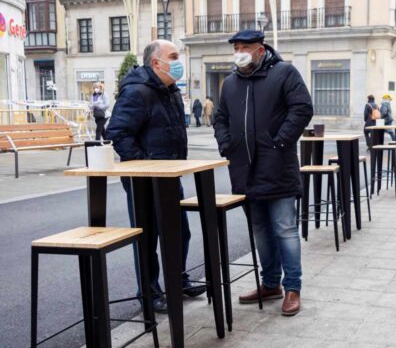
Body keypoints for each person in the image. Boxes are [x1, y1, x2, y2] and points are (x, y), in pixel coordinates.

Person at [214, 30, 313, 316]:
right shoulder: (230, 83)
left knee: (284, 229)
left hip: (278, 167)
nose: (239, 52)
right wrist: (225, 144)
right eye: (236, 48)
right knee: (259, 231)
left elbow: (302, 108)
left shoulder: (284, 73)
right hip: (245, 171)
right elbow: (220, 118)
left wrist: (281, 141)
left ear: (260, 49)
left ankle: (292, 287)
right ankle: (271, 284)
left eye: (245, 47)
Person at [106, 40, 206, 314]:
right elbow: (118, 132)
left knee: (179, 232)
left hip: (169, 174)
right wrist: (146, 165)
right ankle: (149, 293)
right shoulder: (137, 92)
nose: (178, 62)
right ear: (156, 63)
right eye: (173, 56)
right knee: (147, 237)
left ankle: (178, 279)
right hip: (143, 178)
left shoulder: (169, 90)